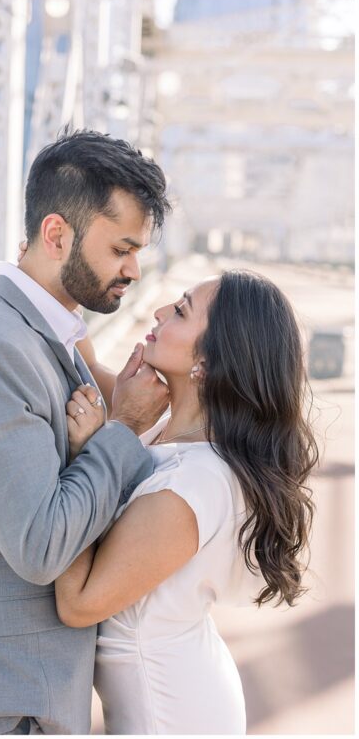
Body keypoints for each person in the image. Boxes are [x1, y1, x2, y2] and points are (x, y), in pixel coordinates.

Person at [0, 129, 173, 734]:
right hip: (7, 697)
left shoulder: (41, 328)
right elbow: (40, 546)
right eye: (121, 249)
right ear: (58, 235)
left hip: (31, 686)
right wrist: (124, 429)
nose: (134, 270)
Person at [55, 270, 318, 733]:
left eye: (179, 311)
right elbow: (89, 367)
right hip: (182, 683)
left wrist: (85, 460)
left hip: (172, 715)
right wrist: (49, 280)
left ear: (209, 362)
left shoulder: (189, 487)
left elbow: (78, 605)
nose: (158, 312)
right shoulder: (173, 429)